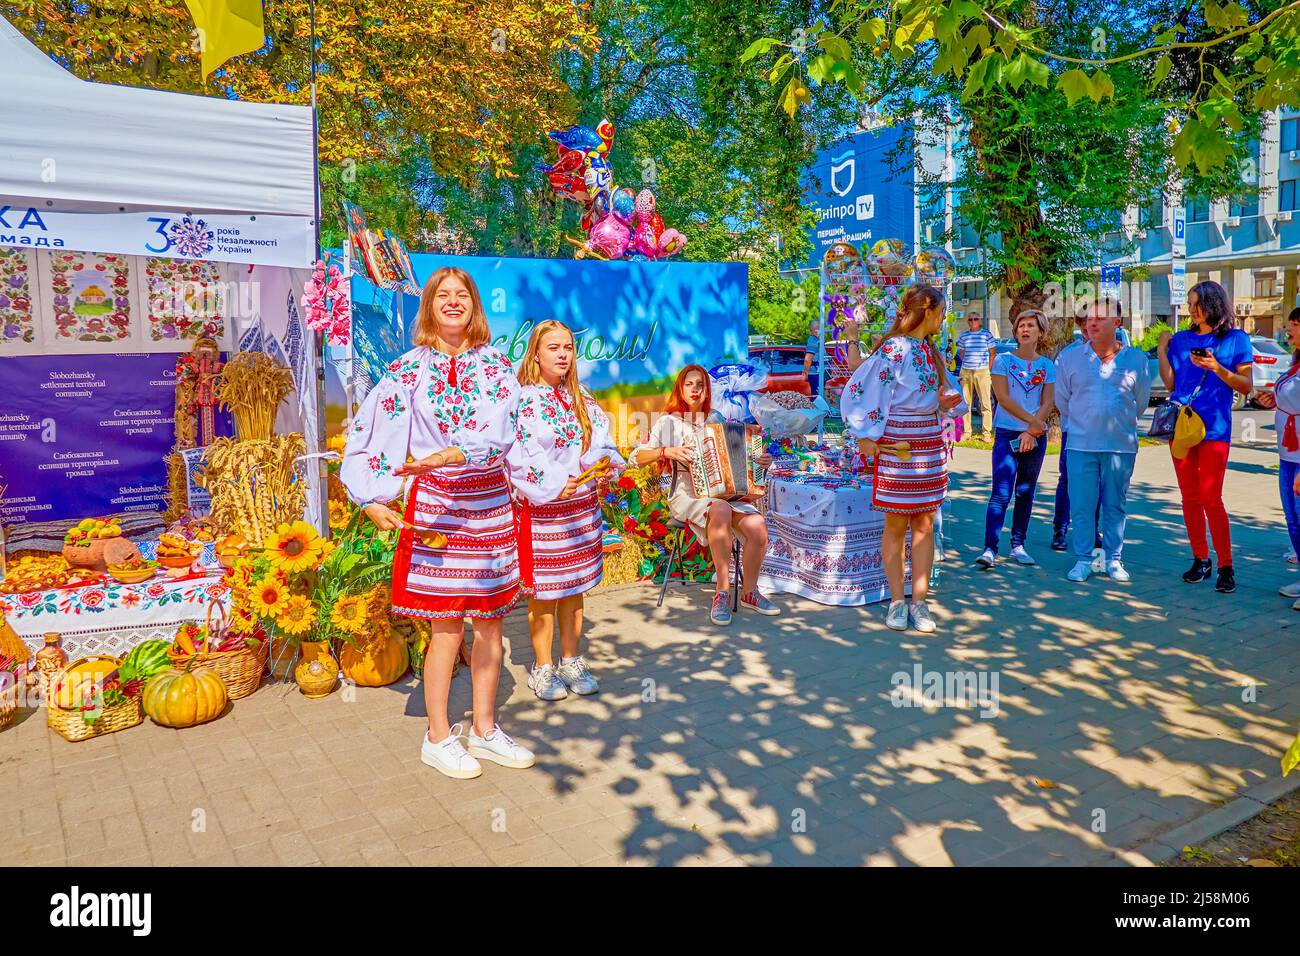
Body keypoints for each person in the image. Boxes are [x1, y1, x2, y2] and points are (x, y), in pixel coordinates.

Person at [341, 266, 534, 780]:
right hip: (438, 510)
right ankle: (438, 736)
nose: (453, 302)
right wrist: (369, 496)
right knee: (446, 628)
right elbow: (369, 434)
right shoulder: (407, 370)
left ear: (474, 305)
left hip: (489, 502)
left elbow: (508, 432)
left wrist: (460, 450)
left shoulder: (497, 366)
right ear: (430, 306)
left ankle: (486, 729)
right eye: (442, 295)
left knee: (491, 625)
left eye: (461, 295)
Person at [507, 321, 626, 701]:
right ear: (536, 353)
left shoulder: (583, 398)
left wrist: (605, 462)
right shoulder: (523, 400)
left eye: (568, 348)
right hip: (544, 511)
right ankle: (542, 668)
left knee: (574, 589)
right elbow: (520, 455)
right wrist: (556, 481)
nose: (562, 354)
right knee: (544, 592)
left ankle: (571, 659)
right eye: (553, 347)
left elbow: (601, 443)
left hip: (581, 510)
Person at [842, 285, 966, 632]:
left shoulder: (931, 350)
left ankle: (920, 603)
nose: (943, 318)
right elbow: (863, 387)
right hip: (899, 445)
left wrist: (946, 403)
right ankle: (898, 601)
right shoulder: (894, 349)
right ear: (927, 311)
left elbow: (939, 394)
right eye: (941, 312)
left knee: (925, 523)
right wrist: (865, 434)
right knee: (897, 524)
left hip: (927, 444)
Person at [631, 365, 777, 626]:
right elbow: (636, 458)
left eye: (700, 384)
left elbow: (739, 455)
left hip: (724, 494)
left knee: (757, 525)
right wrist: (667, 452)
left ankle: (749, 592)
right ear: (681, 388)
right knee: (719, 509)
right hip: (687, 494)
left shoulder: (717, 418)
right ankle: (721, 592)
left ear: (707, 389)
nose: (695, 389)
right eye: (690, 384)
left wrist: (758, 460)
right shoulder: (669, 422)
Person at [1156, 280, 1253, 593]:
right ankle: (1201, 558)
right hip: (1182, 429)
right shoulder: (1182, 340)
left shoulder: (1236, 339)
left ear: (1213, 304)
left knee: (1211, 498)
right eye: (1189, 303)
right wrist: (1161, 351)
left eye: (1196, 303)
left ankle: (1226, 564)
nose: (1191, 309)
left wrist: (1216, 367)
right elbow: (1171, 385)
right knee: (1189, 499)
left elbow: (1246, 386)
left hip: (1214, 429)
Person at [1054, 298, 1152, 583]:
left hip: (1120, 446)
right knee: (1082, 505)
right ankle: (1084, 559)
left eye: (1100, 317)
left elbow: (1141, 402)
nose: (1092, 323)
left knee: (1114, 504)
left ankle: (1113, 559)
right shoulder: (1071, 358)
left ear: (1117, 323)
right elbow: (1063, 400)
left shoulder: (1136, 360)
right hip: (1081, 445)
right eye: (1089, 318)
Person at [976, 309, 1055, 568]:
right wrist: (1031, 423)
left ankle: (1018, 545)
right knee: (1001, 492)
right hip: (1008, 433)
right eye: (1021, 325)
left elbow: (1048, 400)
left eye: (1031, 325)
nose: (1025, 329)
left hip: (1035, 436)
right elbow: (1004, 399)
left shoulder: (1047, 365)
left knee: (1025, 492)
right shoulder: (1003, 361)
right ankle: (990, 548)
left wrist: (1033, 430)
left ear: (1040, 332)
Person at [1050, 313, 1103, 560]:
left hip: (1101, 432)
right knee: (1068, 480)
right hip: (1074, 430)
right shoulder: (1068, 355)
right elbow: (1061, 396)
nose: (1089, 330)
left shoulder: (1109, 353)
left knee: (1097, 482)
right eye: (1085, 325)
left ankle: (1092, 530)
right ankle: (1060, 529)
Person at [1273, 307, 1300, 608]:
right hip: (1288, 454)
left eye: (1295, 325)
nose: (1288, 329)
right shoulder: (1295, 362)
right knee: (1293, 519)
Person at [956, 312, 997, 442]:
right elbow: (962, 354)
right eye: (970, 319)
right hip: (966, 371)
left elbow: (992, 354)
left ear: (980, 321)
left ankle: (986, 433)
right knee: (966, 403)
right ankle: (967, 432)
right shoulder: (964, 336)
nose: (973, 321)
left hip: (982, 371)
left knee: (985, 403)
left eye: (975, 319)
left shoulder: (987, 335)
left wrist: (987, 370)